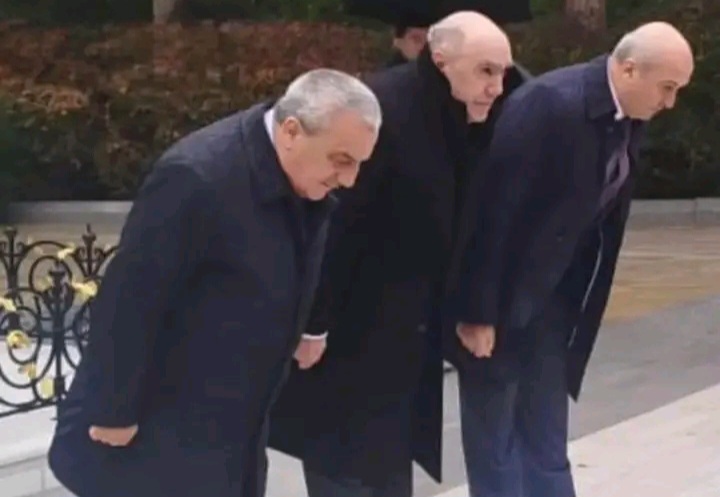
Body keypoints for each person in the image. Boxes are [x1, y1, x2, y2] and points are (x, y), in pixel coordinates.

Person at [46, 68, 381, 497]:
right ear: (291, 131)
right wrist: (114, 409)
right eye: (342, 160)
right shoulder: (197, 177)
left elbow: (305, 249)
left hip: (236, 413)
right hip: (166, 419)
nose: (350, 179)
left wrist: (308, 325)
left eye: (359, 163)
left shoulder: (301, 176)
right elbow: (131, 297)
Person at [269, 11, 529, 497]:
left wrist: (476, 309)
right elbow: (333, 225)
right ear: (441, 60)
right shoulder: (384, 110)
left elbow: (480, 221)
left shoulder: (471, 118)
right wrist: (312, 323)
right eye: (485, 71)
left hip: (407, 330)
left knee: (387, 463)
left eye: (503, 72)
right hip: (350, 326)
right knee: (345, 459)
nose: (496, 87)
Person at [454, 22, 694, 497]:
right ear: (629, 70)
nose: (670, 103)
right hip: (500, 300)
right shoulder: (550, 105)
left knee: (545, 434)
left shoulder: (626, 116)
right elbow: (491, 209)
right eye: (667, 87)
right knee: (496, 440)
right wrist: (477, 312)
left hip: (551, 301)